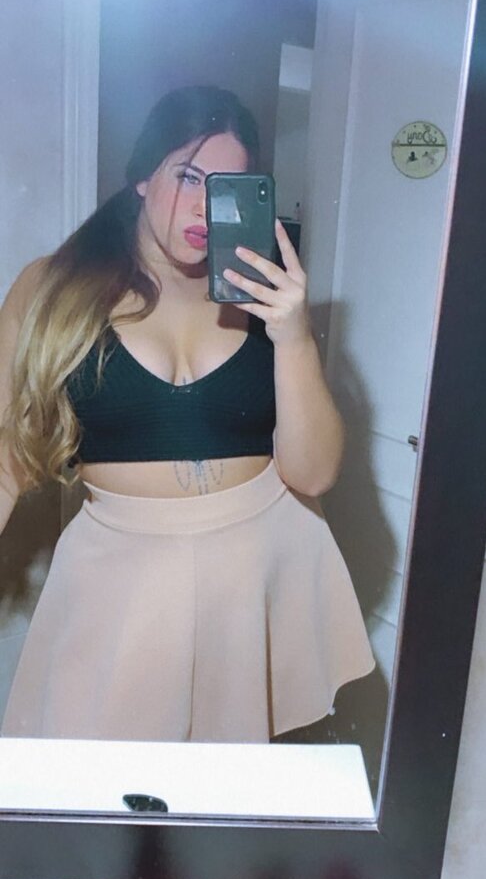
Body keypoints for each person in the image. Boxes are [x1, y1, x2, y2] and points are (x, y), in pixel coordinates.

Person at [0, 85, 375, 743]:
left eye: (225, 187)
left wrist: (291, 335)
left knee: (232, 795)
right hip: (118, 573)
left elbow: (315, 474)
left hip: (256, 572)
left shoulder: (264, 293)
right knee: (104, 787)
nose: (205, 207)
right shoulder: (54, 286)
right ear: (143, 176)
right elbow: (6, 457)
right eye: (189, 177)